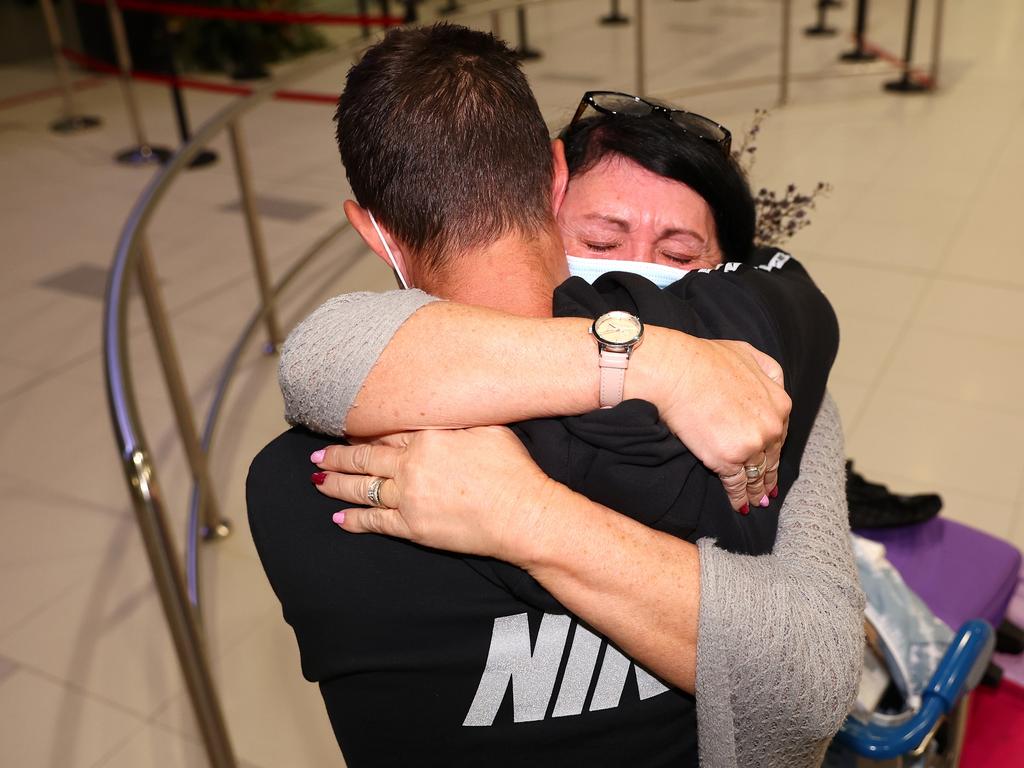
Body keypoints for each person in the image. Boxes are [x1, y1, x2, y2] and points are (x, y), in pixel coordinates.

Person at [248, 24, 862, 767]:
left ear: (372, 231)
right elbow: (329, 353)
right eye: (602, 245)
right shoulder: (753, 387)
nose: (637, 282)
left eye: (678, 256)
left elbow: (815, 681)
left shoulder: (759, 394)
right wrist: (650, 360)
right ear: (553, 185)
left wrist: (524, 515)